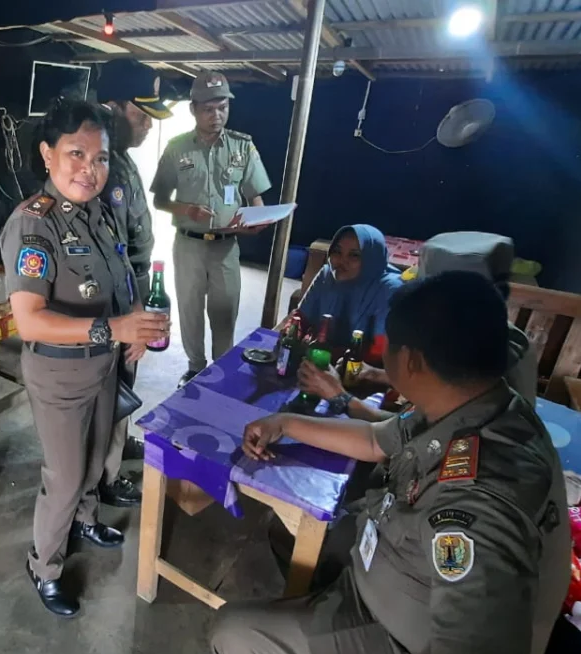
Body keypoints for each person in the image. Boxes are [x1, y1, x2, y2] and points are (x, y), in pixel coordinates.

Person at [212, 271, 570, 654]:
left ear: (411, 361)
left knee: (234, 634)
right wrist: (285, 424)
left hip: (399, 648)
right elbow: (373, 439)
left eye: (389, 345)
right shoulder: (473, 406)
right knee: (290, 528)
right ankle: (312, 614)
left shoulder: (476, 505)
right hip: (389, 567)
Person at [0, 99, 169, 617]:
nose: (89, 170)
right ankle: (45, 565)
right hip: (59, 374)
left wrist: (136, 321)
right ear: (47, 154)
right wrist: (114, 328)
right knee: (66, 475)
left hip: (105, 363)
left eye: (101, 158)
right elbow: (29, 320)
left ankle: (87, 518)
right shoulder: (34, 225)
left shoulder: (102, 212)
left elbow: (123, 277)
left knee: (96, 460)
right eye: (76, 154)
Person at [298, 231, 538, 418]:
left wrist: (338, 396)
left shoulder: (480, 361)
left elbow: (399, 435)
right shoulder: (484, 332)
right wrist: (378, 375)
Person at [151, 70, 274, 388]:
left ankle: (221, 372)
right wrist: (186, 209)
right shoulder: (178, 148)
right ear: (193, 109)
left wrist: (258, 220)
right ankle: (194, 368)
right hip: (189, 245)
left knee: (224, 312)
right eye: (208, 109)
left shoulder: (243, 147)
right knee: (189, 311)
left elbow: (256, 198)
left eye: (223, 108)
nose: (216, 115)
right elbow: (161, 199)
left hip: (225, 247)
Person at [95, 58, 173, 509]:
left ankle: (119, 445)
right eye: (140, 115)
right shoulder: (99, 168)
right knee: (110, 384)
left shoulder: (120, 159)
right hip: (114, 301)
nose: (146, 126)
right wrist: (129, 316)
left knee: (126, 377)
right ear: (112, 107)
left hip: (132, 291)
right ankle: (105, 478)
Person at [294, 223, 403, 351]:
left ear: (371, 259)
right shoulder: (327, 274)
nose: (341, 261)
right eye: (337, 252)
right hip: (319, 357)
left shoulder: (389, 289)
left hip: (364, 367)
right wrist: (293, 332)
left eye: (354, 255)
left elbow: (382, 352)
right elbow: (300, 318)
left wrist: (333, 356)